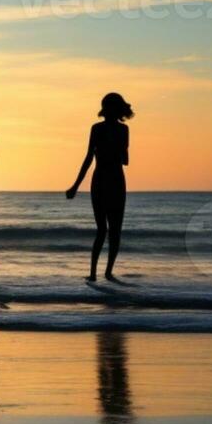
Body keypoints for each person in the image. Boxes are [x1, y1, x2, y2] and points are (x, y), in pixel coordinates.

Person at [66, 92, 134, 283]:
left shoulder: (105, 129)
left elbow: (91, 158)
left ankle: (99, 273)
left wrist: (75, 186)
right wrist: (75, 186)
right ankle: (102, 273)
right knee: (109, 230)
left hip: (105, 180)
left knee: (106, 230)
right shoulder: (118, 130)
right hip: (112, 180)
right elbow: (123, 159)